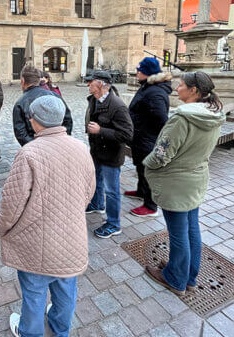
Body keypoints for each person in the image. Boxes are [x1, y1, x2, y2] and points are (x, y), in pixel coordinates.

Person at [0, 95, 95, 337]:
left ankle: (30, 332)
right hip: (72, 237)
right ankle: (61, 329)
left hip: (36, 241)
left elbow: (13, 202)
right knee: (66, 287)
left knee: (34, 291)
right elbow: (89, 190)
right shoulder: (81, 147)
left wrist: (3, 228)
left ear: (35, 121)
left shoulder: (30, 153)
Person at [143, 71, 225, 295]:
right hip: (196, 179)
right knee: (191, 230)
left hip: (176, 183)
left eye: (180, 85)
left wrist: (146, 165)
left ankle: (176, 279)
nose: (176, 88)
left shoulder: (182, 118)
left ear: (194, 91)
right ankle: (188, 275)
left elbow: (161, 155)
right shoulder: (214, 114)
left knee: (179, 233)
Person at [85, 70, 133, 238]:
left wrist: (101, 130)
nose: (88, 84)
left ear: (101, 84)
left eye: (90, 81)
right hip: (97, 151)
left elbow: (127, 135)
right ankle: (97, 204)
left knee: (111, 190)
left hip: (111, 155)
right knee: (96, 179)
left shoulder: (117, 105)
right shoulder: (94, 99)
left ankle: (114, 224)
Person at [125, 57, 172, 217]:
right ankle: (141, 191)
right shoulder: (147, 86)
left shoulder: (155, 92)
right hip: (140, 137)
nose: (136, 73)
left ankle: (150, 206)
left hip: (147, 139)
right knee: (140, 166)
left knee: (148, 171)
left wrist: (148, 134)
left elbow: (161, 120)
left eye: (139, 70)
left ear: (147, 73)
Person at [13, 65, 72, 146]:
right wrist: (62, 141)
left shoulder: (20, 103)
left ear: (22, 81)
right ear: (38, 80)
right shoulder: (55, 96)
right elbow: (68, 121)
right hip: (58, 144)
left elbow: (21, 133)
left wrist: (36, 147)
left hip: (35, 147)